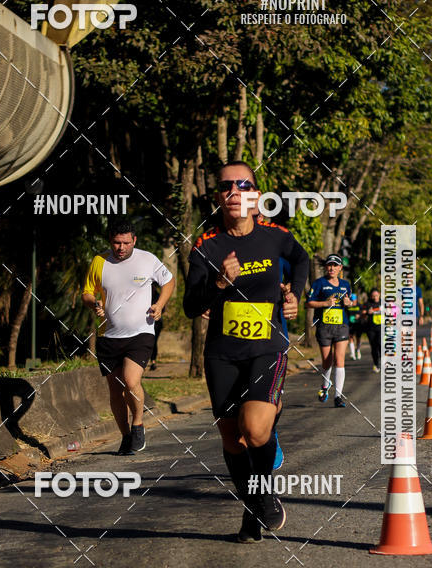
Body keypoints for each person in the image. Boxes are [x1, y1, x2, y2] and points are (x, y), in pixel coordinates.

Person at [183, 161, 309, 543]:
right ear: (218, 196)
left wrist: (294, 296)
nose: (234, 191)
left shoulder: (276, 237)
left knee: (254, 430)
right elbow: (191, 305)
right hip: (222, 353)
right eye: (226, 186)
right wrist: (219, 283)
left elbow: (302, 260)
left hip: (267, 349)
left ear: (256, 194)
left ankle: (265, 495)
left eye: (244, 185)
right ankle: (252, 508)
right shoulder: (207, 246)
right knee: (232, 440)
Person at [82, 220, 175, 455]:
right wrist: (95, 304)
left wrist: (160, 305)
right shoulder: (99, 262)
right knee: (115, 390)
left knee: (131, 381)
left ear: (134, 240)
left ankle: (138, 424)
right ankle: (125, 436)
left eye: (125, 242)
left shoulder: (147, 259)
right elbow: (86, 292)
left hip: (141, 333)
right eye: (116, 242)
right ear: (110, 241)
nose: (121, 247)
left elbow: (169, 281)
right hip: (108, 335)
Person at [306, 256, 357, 407]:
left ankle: (338, 396)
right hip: (324, 326)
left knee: (340, 360)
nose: (332, 268)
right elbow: (308, 303)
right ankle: (325, 384)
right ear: (326, 268)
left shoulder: (345, 284)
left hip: (342, 326)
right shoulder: (319, 283)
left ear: (340, 268)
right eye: (329, 266)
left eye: (335, 266)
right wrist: (325, 303)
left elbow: (350, 301)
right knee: (327, 361)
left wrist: (349, 303)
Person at [362, 287, 382, 372]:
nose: (375, 297)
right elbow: (362, 312)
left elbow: (393, 310)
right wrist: (367, 312)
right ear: (371, 296)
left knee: (381, 345)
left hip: (381, 327)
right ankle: (376, 364)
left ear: (379, 294)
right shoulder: (368, 303)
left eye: (376, 295)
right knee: (374, 347)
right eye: (373, 296)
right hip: (371, 328)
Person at [347, 296, 364, 360]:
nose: (353, 302)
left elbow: (363, 312)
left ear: (356, 300)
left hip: (358, 324)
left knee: (358, 338)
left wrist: (359, 315)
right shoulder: (348, 306)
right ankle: (352, 353)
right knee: (350, 337)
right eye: (351, 300)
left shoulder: (359, 305)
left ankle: (358, 350)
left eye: (354, 300)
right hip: (350, 324)